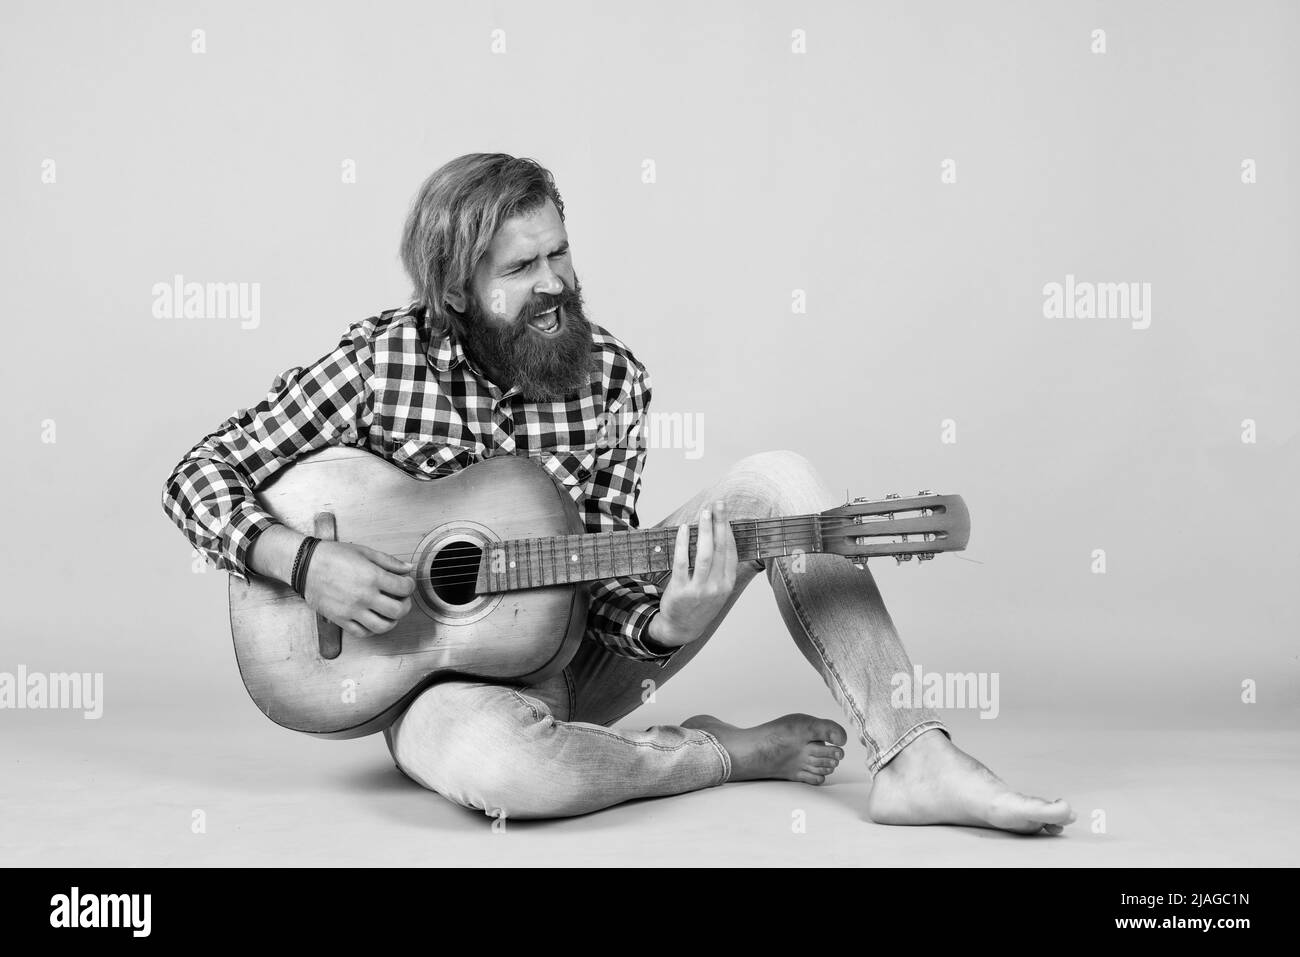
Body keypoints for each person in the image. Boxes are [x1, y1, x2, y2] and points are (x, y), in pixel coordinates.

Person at [162, 153, 1076, 833]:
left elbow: (606, 585)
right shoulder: (378, 361)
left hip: (570, 660)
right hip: (429, 690)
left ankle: (914, 755)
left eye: (559, 253)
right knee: (501, 766)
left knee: (777, 482)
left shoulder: (610, 378)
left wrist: (671, 622)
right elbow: (196, 474)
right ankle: (719, 753)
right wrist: (305, 558)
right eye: (521, 270)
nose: (556, 284)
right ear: (454, 289)